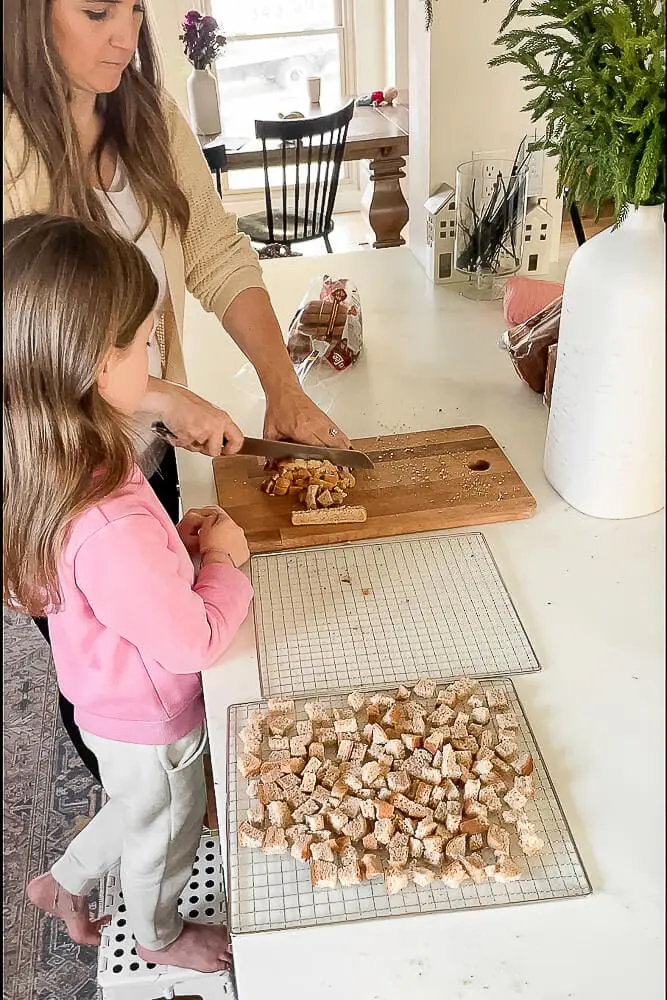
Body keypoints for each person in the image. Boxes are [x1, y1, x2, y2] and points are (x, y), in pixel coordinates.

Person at [3, 0, 350, 781]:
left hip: (139, 461)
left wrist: (281, 388)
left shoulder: (147, 110)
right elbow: (17, 353)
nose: (125, 36)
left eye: (132, 6)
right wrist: (156, 393)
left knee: (171, 655)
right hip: (50, 483)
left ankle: (168, 798)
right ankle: (136, 813)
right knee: (105, 678)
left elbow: (214, 250)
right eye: (94, 12)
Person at [3, 213, 253, 973]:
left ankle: (62, 882)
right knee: (164, 830)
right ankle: (157, 932)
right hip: (151, 713)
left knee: (133, 804)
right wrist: (226, 565)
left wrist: (172, 560)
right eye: (143, 340)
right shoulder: (107, 516)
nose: (152, 355)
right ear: (95, 364)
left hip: (107, 695)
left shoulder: (51, 456)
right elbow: (196, 640)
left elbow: (108, 589)